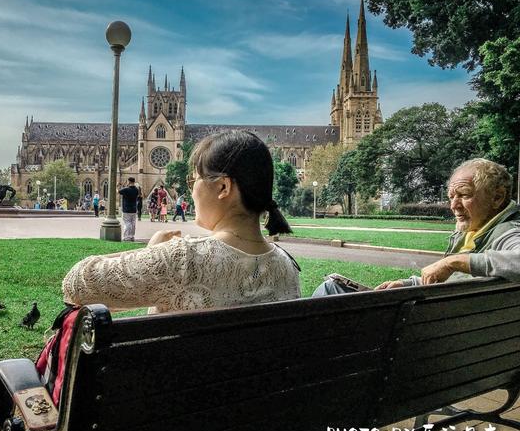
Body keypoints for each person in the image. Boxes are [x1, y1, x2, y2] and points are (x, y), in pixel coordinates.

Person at [62, 130, 301, 313]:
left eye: (194, 179)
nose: (192, 190)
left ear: (223, 187)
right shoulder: (287, 267)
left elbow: (76, 284)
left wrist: (154, 251)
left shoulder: (182, 259)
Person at [313, 158, 520, 297]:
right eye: (451, 197)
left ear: (497, 197)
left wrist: (452, 261)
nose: (453, 205)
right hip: (439, 324)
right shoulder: (477, 231)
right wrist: (409, 283)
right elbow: (454, 280)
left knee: (328, 290)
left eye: (464, 195)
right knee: (333, 287)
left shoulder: (507, 232)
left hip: (423, 335)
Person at [118, 177, 139, 241]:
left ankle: (127, 237)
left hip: (126, 209)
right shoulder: (136, 190)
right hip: (134, 209)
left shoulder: (126, 189)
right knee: (133, 223)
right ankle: (132, 236)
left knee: (127, 223)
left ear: (129, 182)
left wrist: (117, 186)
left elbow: (118, 191)